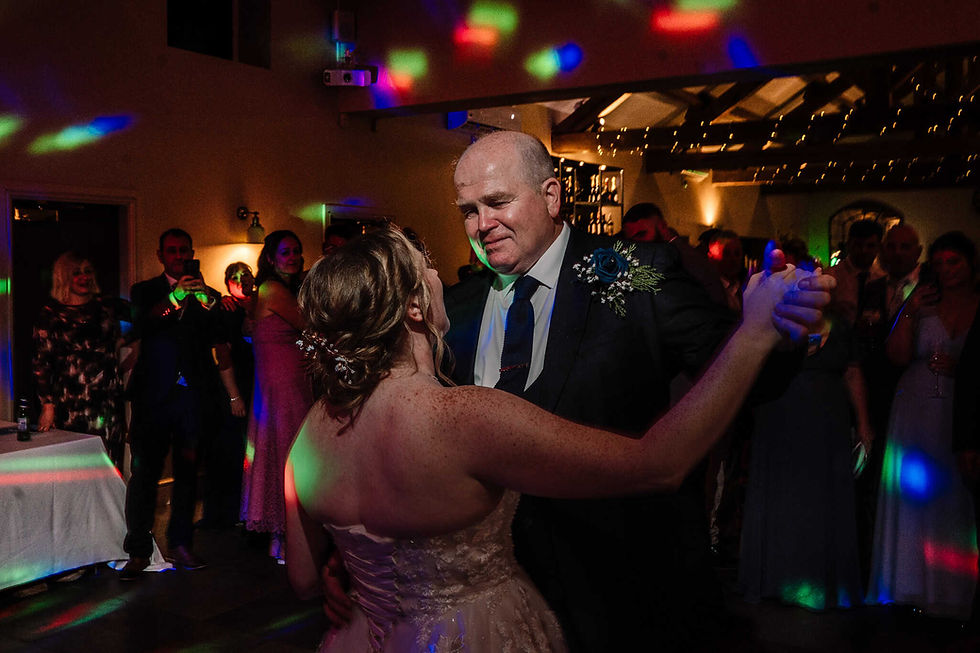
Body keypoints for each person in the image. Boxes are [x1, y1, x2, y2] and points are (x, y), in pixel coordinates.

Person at [284, 226, 832, 653]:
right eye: (425, 268)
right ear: (413, 306)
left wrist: (360, 575)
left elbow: (307, 579)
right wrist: (755, 331)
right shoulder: (463, 416)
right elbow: (659, 463)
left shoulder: (307, 437)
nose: (439, 271)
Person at [866, 231, 980, 619]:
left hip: (960, 409)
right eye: (941, 262)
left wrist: (962, 370)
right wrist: (910, 311)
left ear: (970, 264)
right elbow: (895, 355)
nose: (947, 270)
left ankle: (956, 588)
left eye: (956, 261)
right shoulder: (922, 302)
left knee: (954, 494)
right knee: (916, 492)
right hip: (914, 406)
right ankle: (910, 583)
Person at [738, 304, 872, 610]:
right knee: (784, 495)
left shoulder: (840, 327)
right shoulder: (775, 324)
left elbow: (853, 373)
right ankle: (777, 579)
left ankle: (821, 581)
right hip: (780, 417)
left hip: (828, 423)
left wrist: (864, 425)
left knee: (822, 498)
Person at [121, 228, 223, 579]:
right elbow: (141, 326)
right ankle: (137, 550)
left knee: (187, 474)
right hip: (154, 396)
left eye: (184, 251)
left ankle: (181, 543)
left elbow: (221, 330)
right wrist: (176, 298)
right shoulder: (145, 291)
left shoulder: (207, 293)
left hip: (192, 397)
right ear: (161, 255)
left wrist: (207, 299)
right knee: (145, 473)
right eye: (172, 251)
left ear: (192, 253)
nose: (179, 256)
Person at [240, 230, 314, 561]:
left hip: (288, 380)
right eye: (286, 252)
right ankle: (285, 536)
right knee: (287, 452)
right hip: (283, 384)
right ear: (271, 258)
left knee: (283, 451)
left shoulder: (281, 289)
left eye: (297, 251)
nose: (294, 256)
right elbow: (310, 322)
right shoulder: (272, 289)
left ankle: (284, 536)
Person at [33, 251, 127, 466]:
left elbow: (147, 321)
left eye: (87, 271)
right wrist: (47, 406)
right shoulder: (51, 314)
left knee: (110, 466)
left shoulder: (107, 306)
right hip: (71, 405)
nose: (84, 277)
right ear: (64, 277)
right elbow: (41, 362)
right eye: (76, 273)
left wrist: (126, 344)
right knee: (76, 468)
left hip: (107, 403)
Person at [200, 262, 256, 528]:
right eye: (235, 277)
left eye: (245, 275)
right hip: (236, 386)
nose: (241, 280)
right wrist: (234, 396)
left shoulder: (264, 303)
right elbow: (221, 352)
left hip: (262, 384)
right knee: (230, 450)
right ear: (227, 283)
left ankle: (250, 509)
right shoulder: (226, 310)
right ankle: (224, 514)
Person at [826, 219, 885, 326]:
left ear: (879, 248)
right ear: (849, 245)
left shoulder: (883, 278)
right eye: (858, 245)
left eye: (870, 246)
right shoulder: (830, 277)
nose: (864, 250)